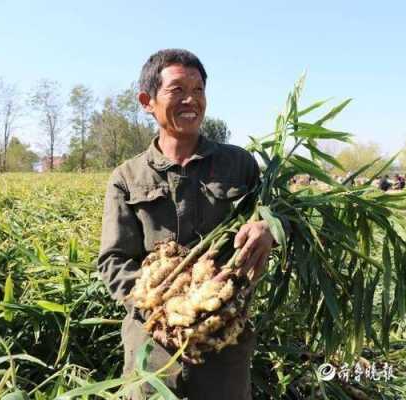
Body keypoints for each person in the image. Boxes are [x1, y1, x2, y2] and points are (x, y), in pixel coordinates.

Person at [97, 49, 275, 400]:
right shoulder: (127, 177)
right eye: (177, 90)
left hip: (224, 339)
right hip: (154, 345)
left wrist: (269, 227)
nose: (191, 99)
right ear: (147, 101)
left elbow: (277, 218)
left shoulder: (239, 164)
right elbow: (113, 262)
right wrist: (167, 311)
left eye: (198, 89)